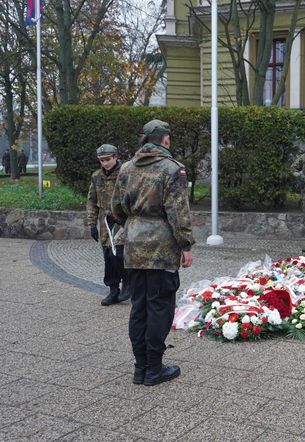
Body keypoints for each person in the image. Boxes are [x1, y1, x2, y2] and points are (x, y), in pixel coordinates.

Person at [111, 119, 195, 386]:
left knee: (139, 306)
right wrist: (186, 245)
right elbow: (178, 213)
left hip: (133, 246)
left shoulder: (125, 169)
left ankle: (141, 368)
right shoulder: (173, 170)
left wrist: (134, 224)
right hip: (162, 247)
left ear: (144, 139)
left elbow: (116, 208)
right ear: (166, 140)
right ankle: (154, 369)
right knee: (159, 306)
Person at [86, 144, 129, 306]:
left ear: (116, 157)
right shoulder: (97, 176)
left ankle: (127, 283)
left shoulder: (125, 174)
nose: (105, 163)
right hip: (105, 224)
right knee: (108, 257)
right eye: (102, 160)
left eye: (108, 159)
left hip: (123, 222)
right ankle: (113, 290)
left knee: (120, 254)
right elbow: (92, 200)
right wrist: (91, 224)